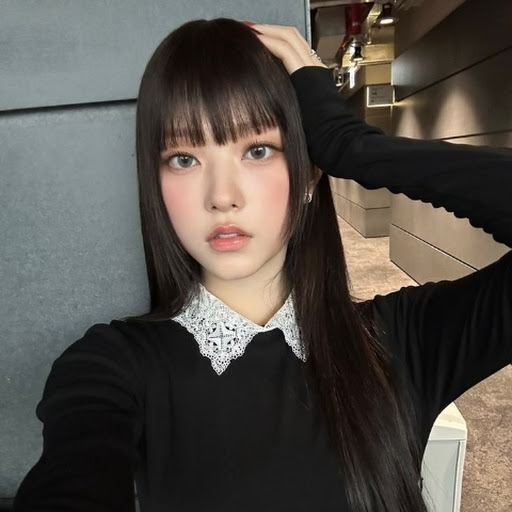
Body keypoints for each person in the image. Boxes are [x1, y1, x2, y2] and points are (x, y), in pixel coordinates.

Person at [13, 18, 511, 512]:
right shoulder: (114, 366)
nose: (221, 196)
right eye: (184, 159)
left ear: (309, 172)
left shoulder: (401, 340)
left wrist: (351, 144)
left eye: (257, 150)